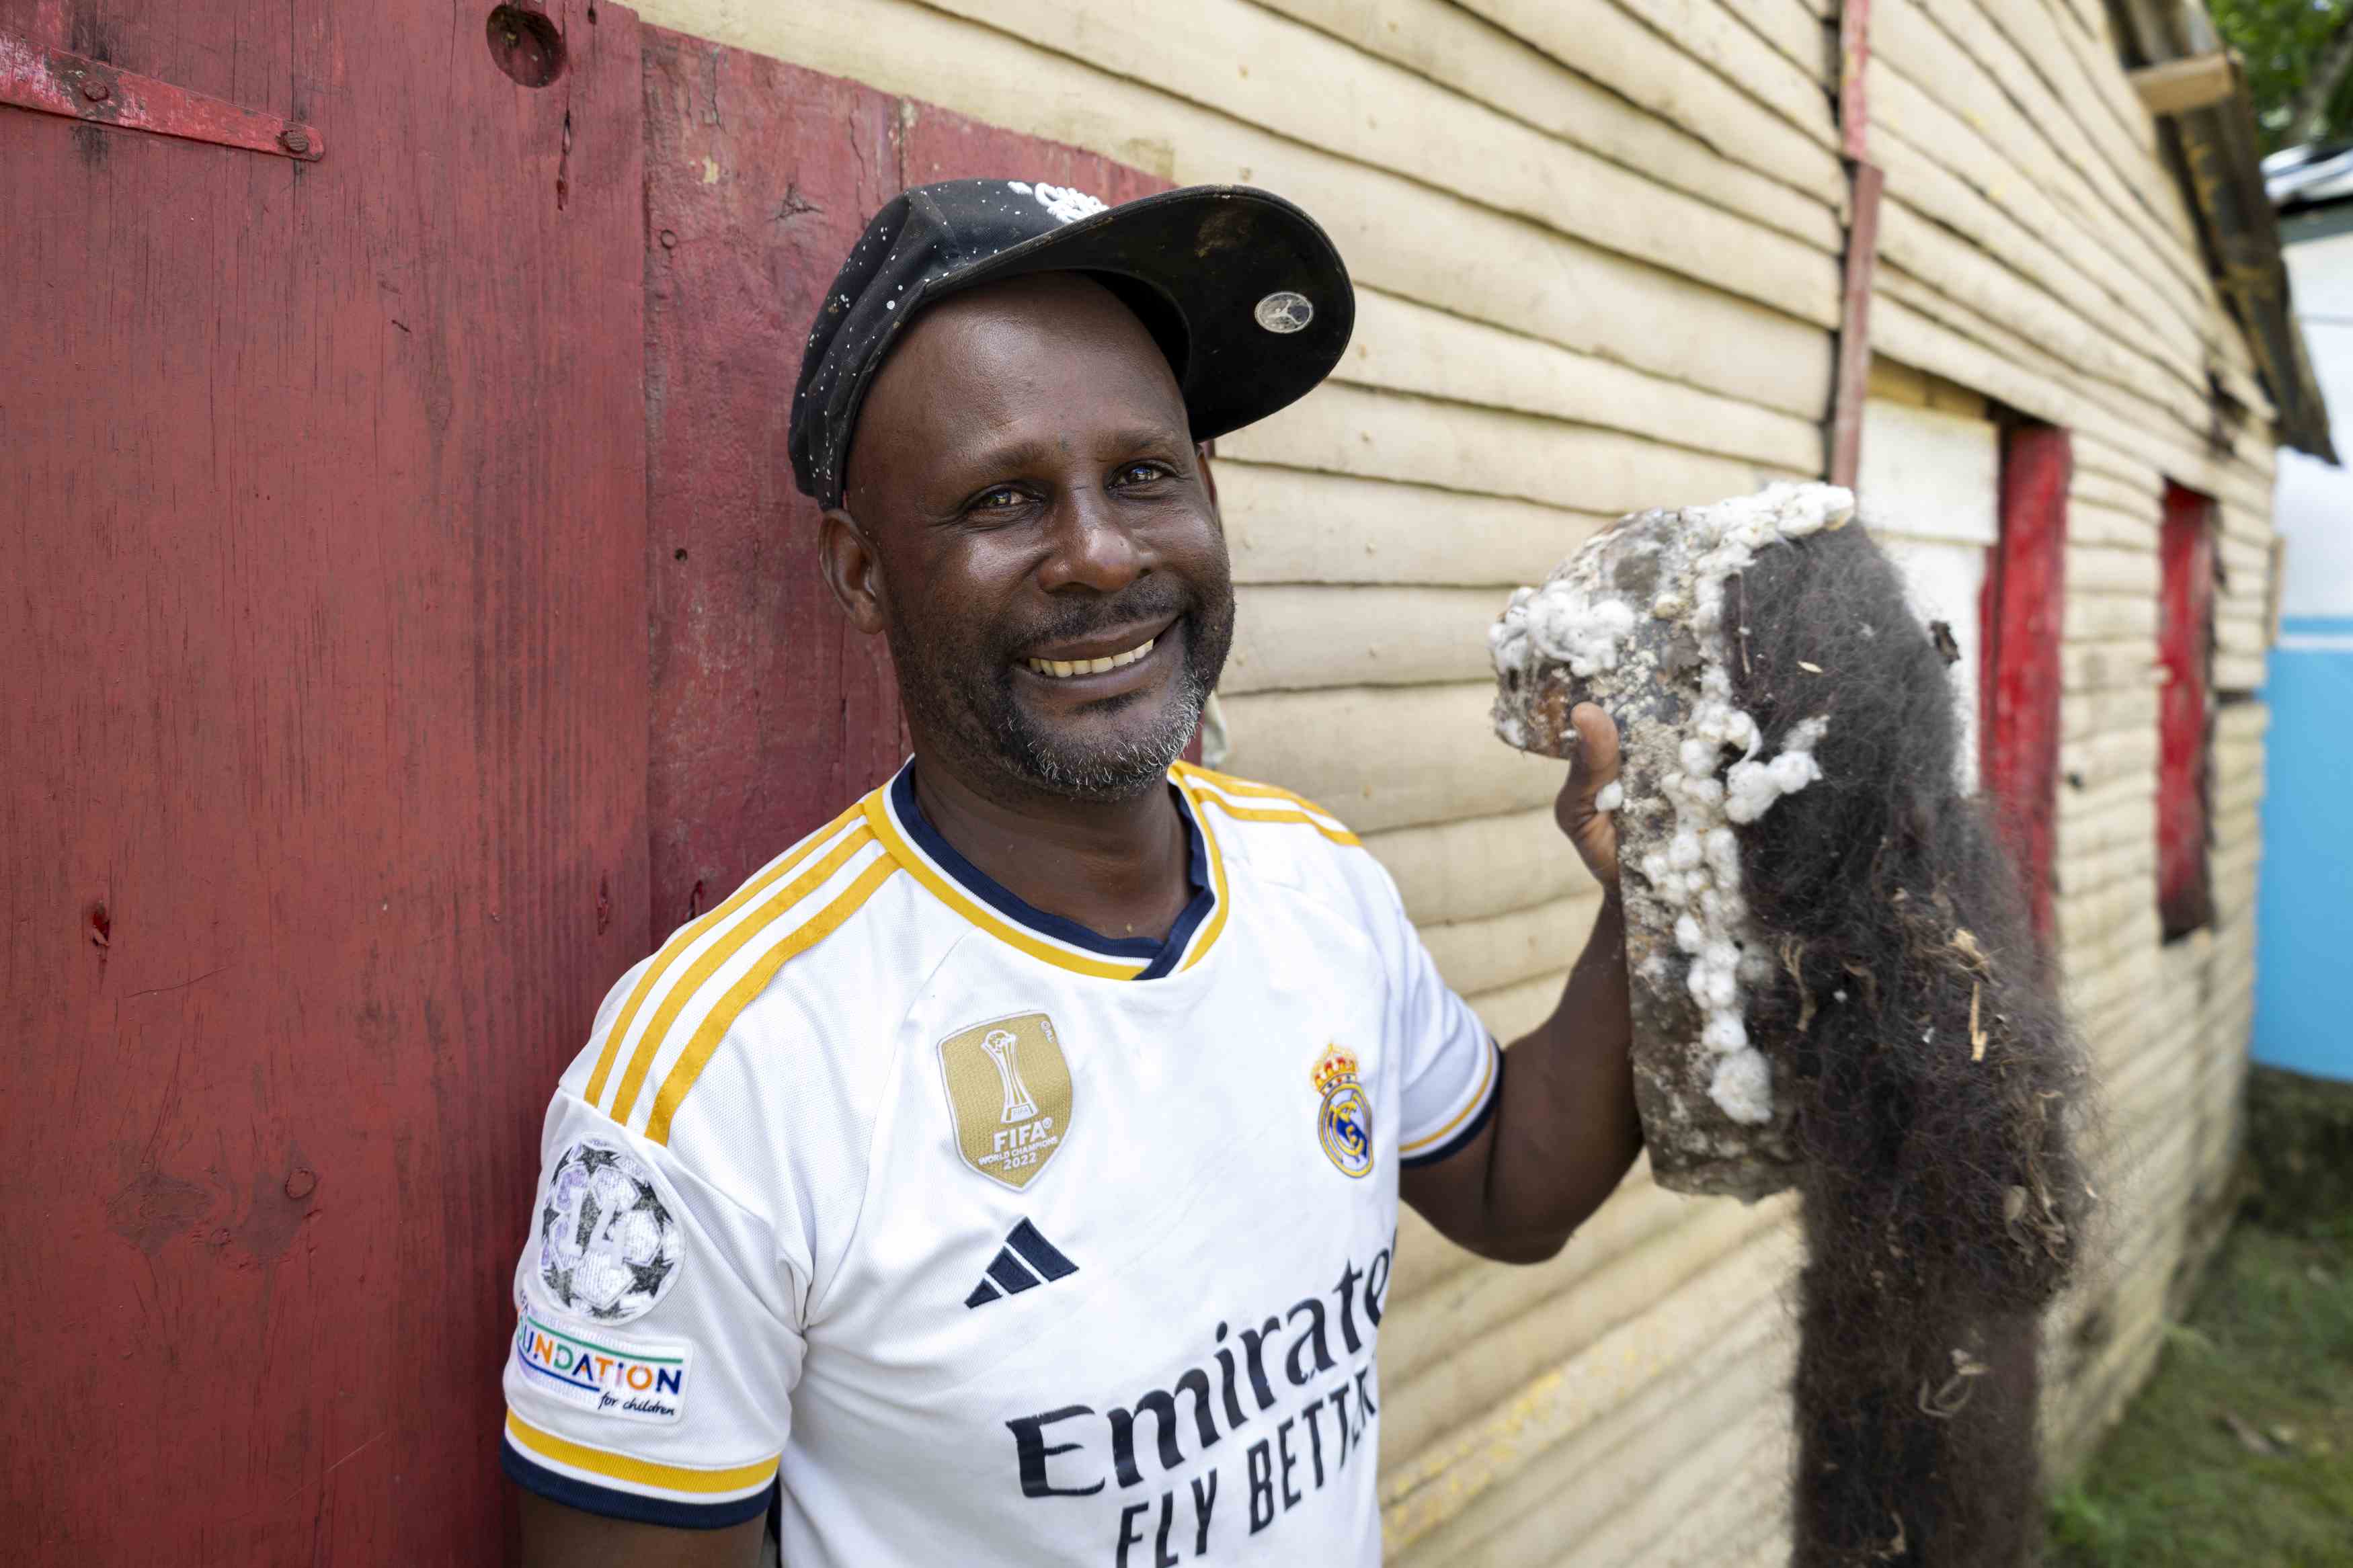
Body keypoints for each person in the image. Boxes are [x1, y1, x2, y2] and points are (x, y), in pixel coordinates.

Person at [500, 178, 1638, 1567]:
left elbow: (1513, 1191)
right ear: (863, 576)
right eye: (1003, 499)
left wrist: (1652, 898)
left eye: (1146, 475)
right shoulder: (722, 1077)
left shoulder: (1314, 881)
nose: (1101, 555)